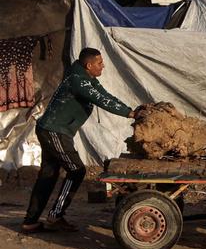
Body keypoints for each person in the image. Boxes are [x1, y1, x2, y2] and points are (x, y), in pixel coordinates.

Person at [22, 48, 138, 234]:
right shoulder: (78, 81)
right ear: (89, 65)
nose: (103, 66)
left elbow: (105, 95)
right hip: (54, 131)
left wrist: (130, 110)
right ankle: (55, 216)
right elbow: (101, 100)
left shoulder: (86, 79)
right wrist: (130, 113)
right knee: (76, 171)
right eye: (99, 63)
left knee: (48, 175)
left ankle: (31, 221)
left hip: (52, 130)